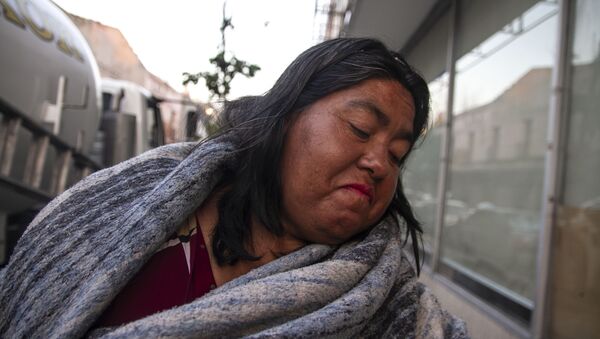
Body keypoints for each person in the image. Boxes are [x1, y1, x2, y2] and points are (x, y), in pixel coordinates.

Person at [0, 38, 467, 338]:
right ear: (285, 117)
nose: (379, 163)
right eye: (362, 129)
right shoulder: (140, 191)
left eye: (397, 155)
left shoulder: (388, 302)